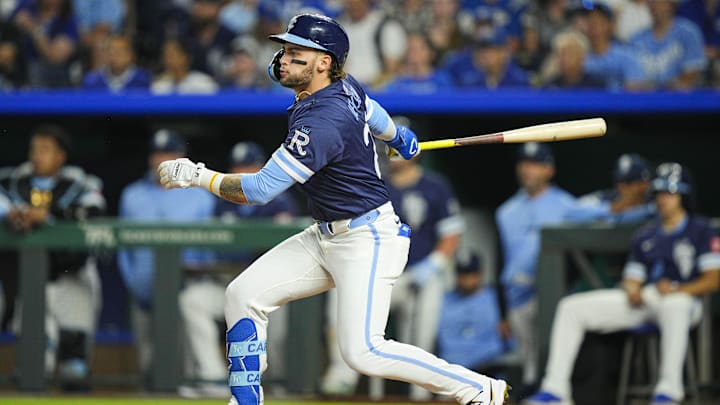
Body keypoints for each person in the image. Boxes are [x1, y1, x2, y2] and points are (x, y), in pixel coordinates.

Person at [158, 13, 509, 405]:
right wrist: (398, 135)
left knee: (363, 351)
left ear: (324, 62)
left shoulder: (323, 121)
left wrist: (198, 175)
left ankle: (479, 389)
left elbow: (259, 190)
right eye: (285, 50)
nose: (283, 59)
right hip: (325, 234)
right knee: (243, 294)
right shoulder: (343, 85)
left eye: (296, 52)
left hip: (367, 238)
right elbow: (371, 109)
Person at [524, 162, 720, 405]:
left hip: (685, 300)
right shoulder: (646, 234)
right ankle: (555, 391)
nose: (663, 199)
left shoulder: (701, 230)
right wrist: (632, 288)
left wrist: (678, 289)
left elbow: (713, 279)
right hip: (648, 298)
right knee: (572, 307)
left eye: (670, 193)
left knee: (674, 306)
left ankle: (668, 392)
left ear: (683, 195)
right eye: (659, 193)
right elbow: (632, 276)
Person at [321, 119, 465, 401]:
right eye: (389, 143)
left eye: (399, 143)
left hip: (419, 274)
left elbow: (451, 233)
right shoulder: (374, 184)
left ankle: (421, 391)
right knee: (343, 301)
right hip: (379, 272)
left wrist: (434, 265)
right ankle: (342, 376)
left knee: (422, 333)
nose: (393, 150)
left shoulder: (435, 186)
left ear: (416, 148)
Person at [179, 141, 298, 398]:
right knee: (192, 301)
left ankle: (279, 384)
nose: (243, 171)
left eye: (249, 166)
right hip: (227, 280)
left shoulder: (280, 200)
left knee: (277, 329)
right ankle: (212, 377)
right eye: (237, 166)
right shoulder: (224, 202)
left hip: (269, 287)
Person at [0, 126, 106, 390]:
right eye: (34, 149)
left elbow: (95, 207)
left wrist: (49, 215)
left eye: (45, 150)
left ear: (60, 156)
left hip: (74, 273)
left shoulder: (79, 181)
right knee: (32, 366)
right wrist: (8, 212)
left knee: (74, 367)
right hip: (33, 278)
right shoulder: (16, 179)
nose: (37, 155)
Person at [117, 129, 215, 380]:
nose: (162, 160)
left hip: (184, 290)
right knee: (148, 369)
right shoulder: (132, 195)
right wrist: (133, 283)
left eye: (169, 153)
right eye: (158, 153)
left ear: (181, 157)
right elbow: (122, 248)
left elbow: (209, 251)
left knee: (184, 369)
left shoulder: (202, 196)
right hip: (142, 294)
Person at [495, 142, 577, 399]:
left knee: (552, 354)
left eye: (535, 164)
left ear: (549, 169)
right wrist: (502, 311)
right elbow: (501, 262)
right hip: (516, 296)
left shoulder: (567, 205)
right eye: (524, 163)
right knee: (528, 361)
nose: (528, 170)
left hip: (553, 294)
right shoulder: (506, 211)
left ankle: (555, 394)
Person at [437, 249, 506, 375]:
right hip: (450, 370)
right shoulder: (444, 300)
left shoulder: (496, 299)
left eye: (470, 273)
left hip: (487, 367)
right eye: (462, 274)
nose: (466, 279)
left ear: (479, 274)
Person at [629, 0, 706, 89]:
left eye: (659, 3)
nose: (654, 6)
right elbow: (632, 78)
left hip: (682, 98)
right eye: (651, 3)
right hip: (646, 98)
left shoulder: (689, 32)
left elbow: (694, 71)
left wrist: (669, 86)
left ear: (671, 5)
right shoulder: (637, 39)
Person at [568, 153, 655, 224]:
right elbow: (571, 213)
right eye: (619, 181)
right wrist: (611, 209)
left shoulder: (656, 200)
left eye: (629, 182)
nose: (622, 186)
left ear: (645, 184)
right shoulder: (605, 197)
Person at [582, 2, 648, 91]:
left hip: (620, 104)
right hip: (588, 103)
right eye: (589, 20)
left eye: (597, 20)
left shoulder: (626, 56)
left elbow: (636, 91)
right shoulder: (581, 58)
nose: (592, 24)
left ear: (610, 25)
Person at [81, 35, 151, 92]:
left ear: (130, 55)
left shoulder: (142, 80)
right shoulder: (92, 80)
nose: (114, 56)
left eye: (119, 52)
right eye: (110, 52)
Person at [151, 38, 219, 94]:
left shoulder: (203, 84)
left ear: (186, 57)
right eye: (165, 55)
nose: (168, 59)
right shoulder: (159, 86)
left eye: (172, 55)